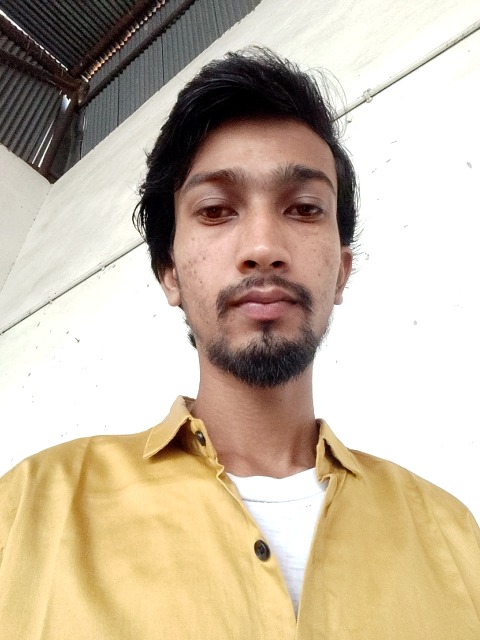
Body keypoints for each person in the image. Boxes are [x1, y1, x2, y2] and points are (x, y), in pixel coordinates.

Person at [1, 48, 479, 639]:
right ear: (169, 273)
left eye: (303, 208)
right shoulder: (27, 510)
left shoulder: (454, 536)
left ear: (341, 273)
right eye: (216, 210)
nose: (262, 247)